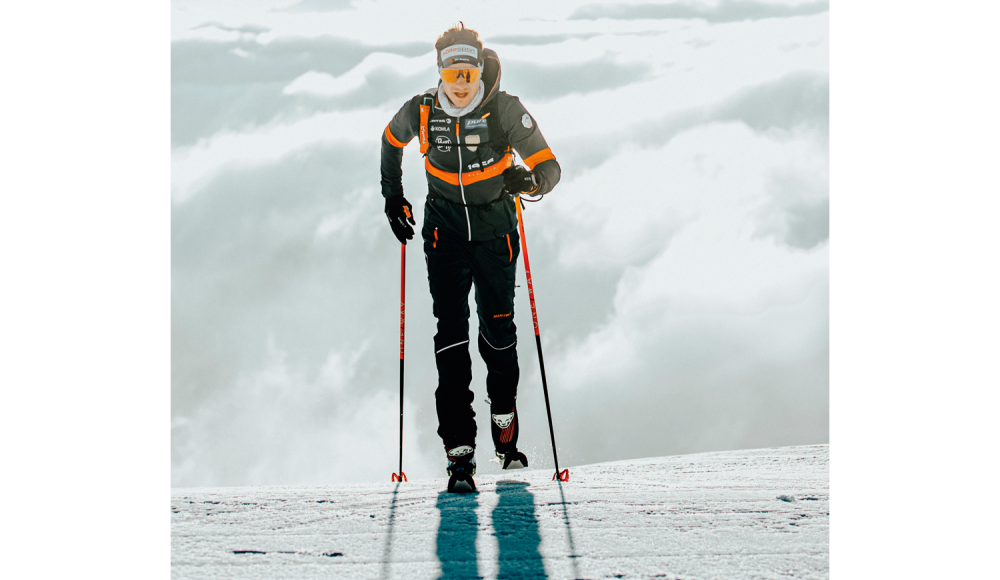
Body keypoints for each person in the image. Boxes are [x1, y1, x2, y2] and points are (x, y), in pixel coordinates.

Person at [380, 23, 560, 492]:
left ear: (479, 68)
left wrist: (532, 180)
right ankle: (459, 455)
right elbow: (389, 140)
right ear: (441, 71)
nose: (461, 83)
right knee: (452, 338)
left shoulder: (503, 108)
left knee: (498, 333)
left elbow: (549, 166)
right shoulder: (421, 111)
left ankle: (504, 420)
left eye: (468, 72)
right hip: (444, 233)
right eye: (452, 72)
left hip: (495, 230)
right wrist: (392, 197)